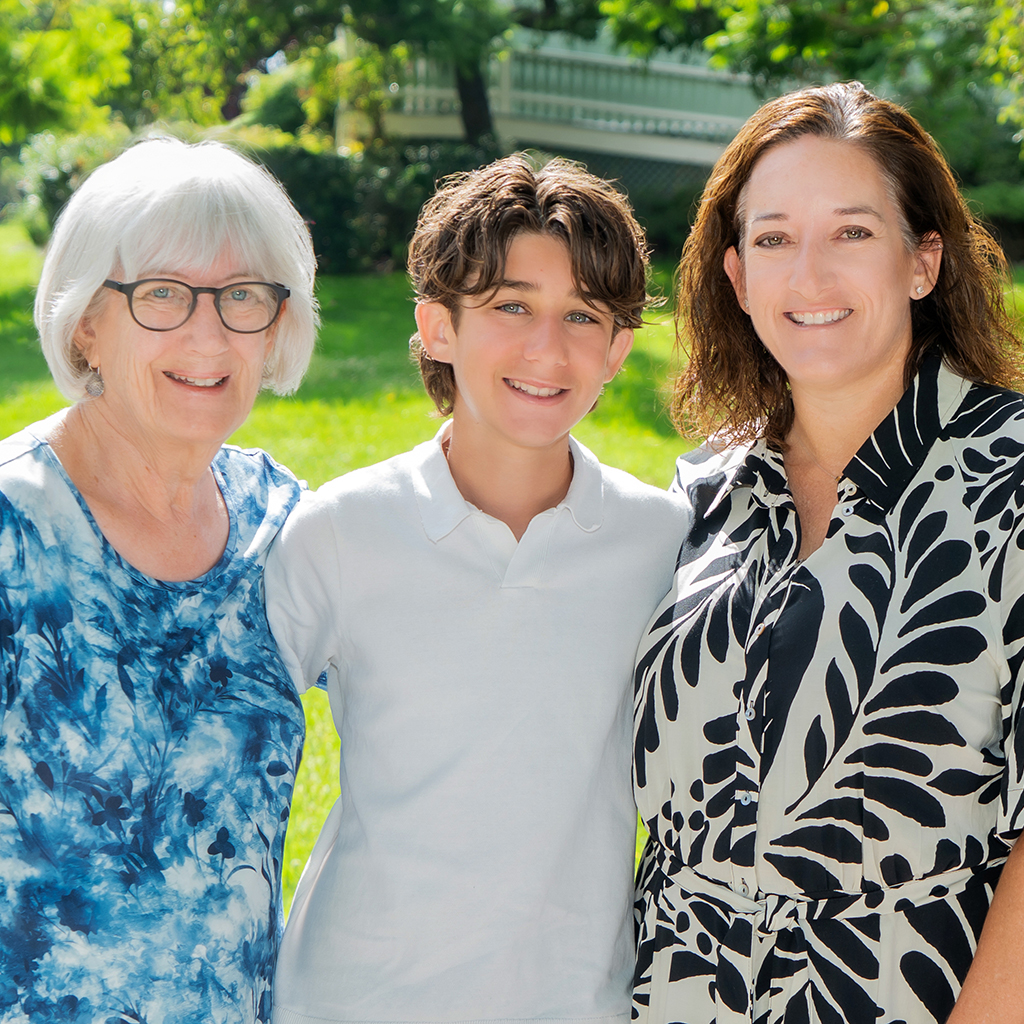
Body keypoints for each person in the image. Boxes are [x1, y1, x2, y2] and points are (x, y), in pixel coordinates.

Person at [632, 80, 1024, 1024]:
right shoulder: (701, 495)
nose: (808, 277)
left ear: (923, 261)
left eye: (852, 232)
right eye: (772, 239)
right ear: (735, 275)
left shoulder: (1010, 479)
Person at [264, 154, 688, 1024]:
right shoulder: (340, 532)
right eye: (510, 307)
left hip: (578, 1002)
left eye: (583, 315)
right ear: (437, 327)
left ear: (616, 351)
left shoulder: (664, 544)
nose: (547, 347)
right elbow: (228, 759)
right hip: (353, 1000)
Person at [0, 138, 318, 1023]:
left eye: (243, 296)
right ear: (84, 322)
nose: (209, 335)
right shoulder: (9, 528)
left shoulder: (284, 526)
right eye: (163, 296)